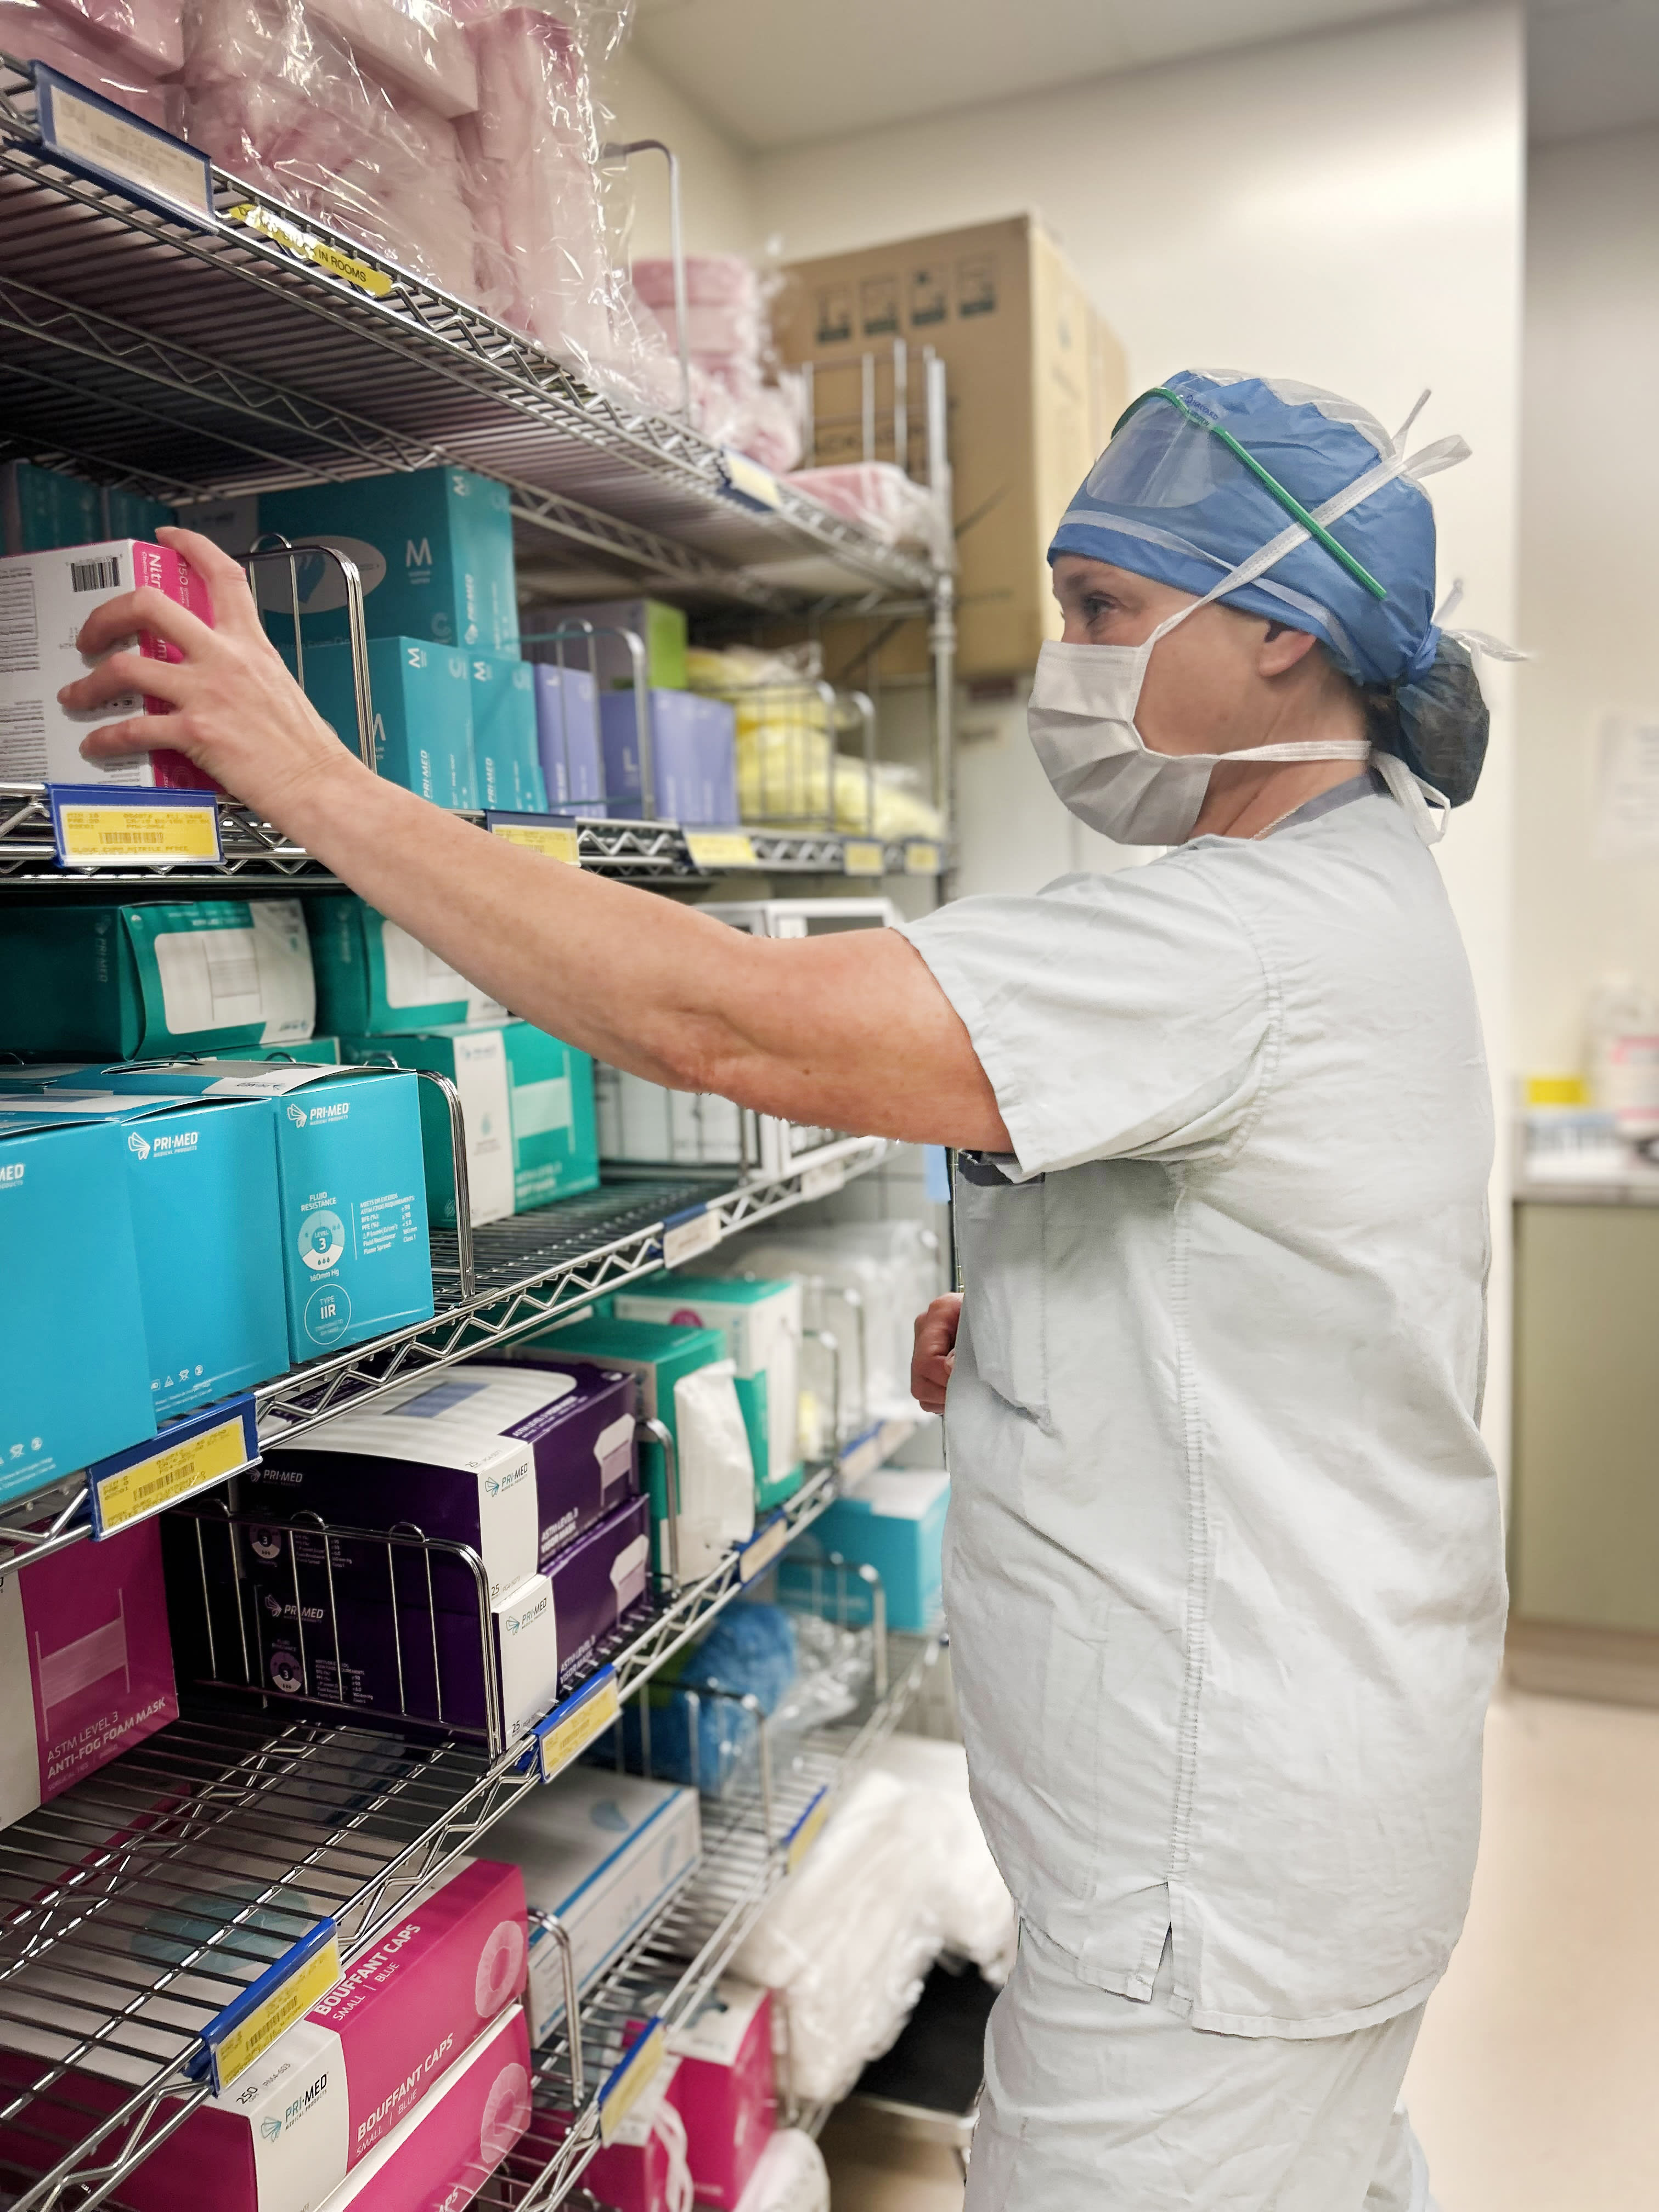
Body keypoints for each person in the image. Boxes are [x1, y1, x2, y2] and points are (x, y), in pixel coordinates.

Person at [62, 369, 1506, 2211]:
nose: (1066, 658)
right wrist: (1062, 1330)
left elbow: (723, 1023)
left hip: (1217, 1890)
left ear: (1283, 629)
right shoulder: (1342, 885)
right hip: (1288, 1822)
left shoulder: (1244, 937)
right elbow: (1302, 1265)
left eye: (1103, 607)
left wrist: (311, 774)